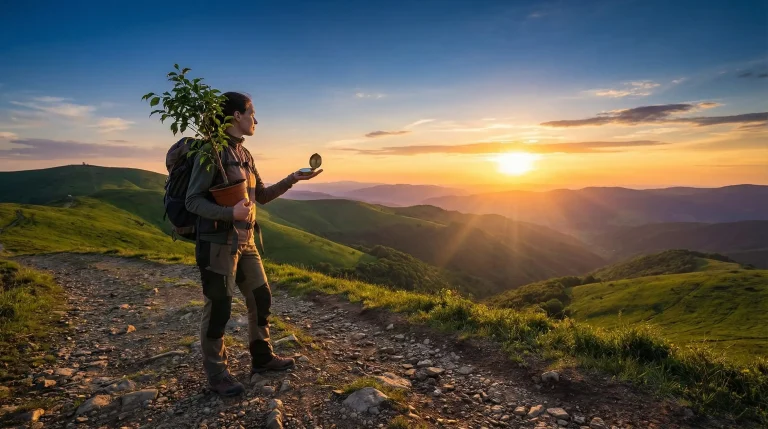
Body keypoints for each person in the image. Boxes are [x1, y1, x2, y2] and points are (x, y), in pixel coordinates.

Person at [185, 92, 322, 396]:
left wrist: (293, 178)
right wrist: (227, 212)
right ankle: (217, 373)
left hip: (245, 241)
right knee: (219, 306)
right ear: (236, 116)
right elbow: (192, 200)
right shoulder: (212, 151)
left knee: (261, 298)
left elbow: (260, 195)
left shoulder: (245, 155)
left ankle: (262, 358)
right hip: (216, 243)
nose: (256, 120)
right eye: (251, 113)